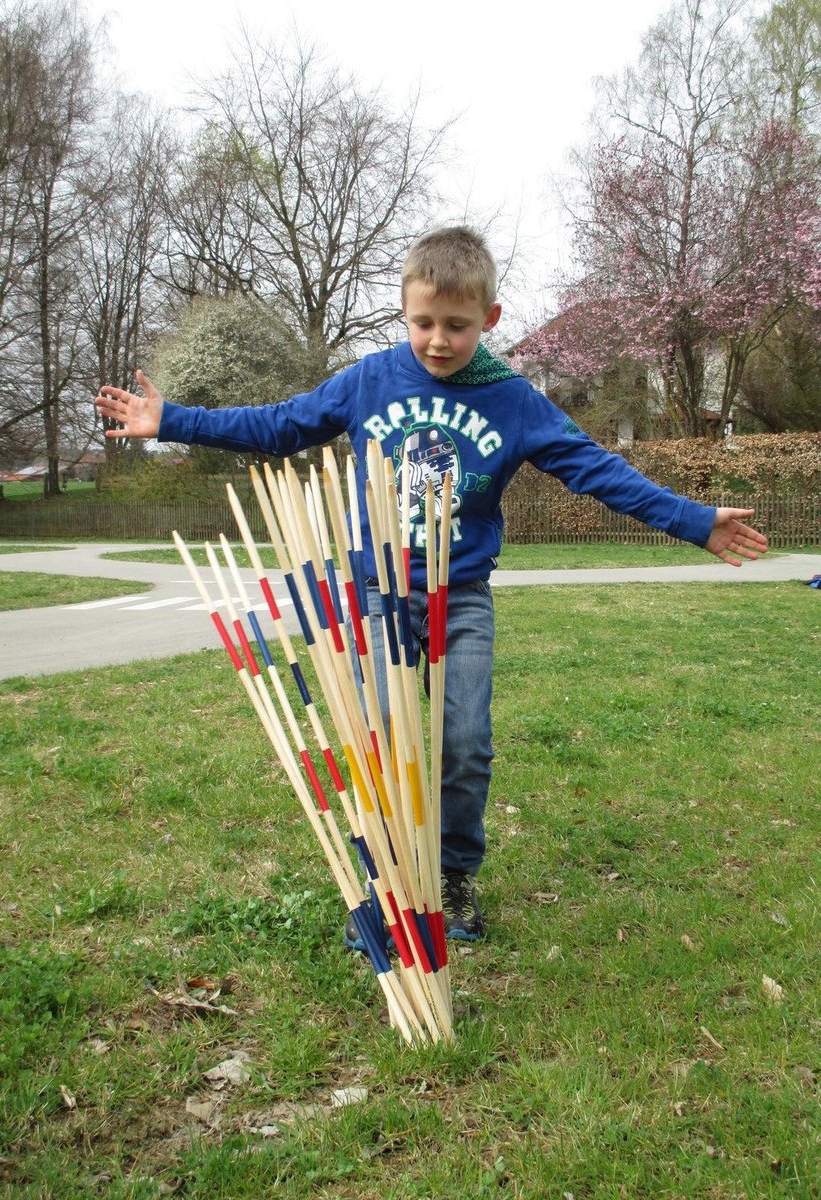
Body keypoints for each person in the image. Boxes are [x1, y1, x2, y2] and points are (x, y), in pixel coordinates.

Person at [95, 226, 768, 945]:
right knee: (381, 742)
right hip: (375, 592)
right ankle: (389, 884)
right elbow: (281, 425)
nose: (438, 341)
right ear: (404, 312)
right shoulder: (371, 380)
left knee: (465, 741)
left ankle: (451, 874)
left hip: (461, 595)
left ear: (489, 319)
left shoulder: (513, 400)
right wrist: (173, 420)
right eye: (423, 323)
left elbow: (595, 469)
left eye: (457, 325)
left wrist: (692, 519)